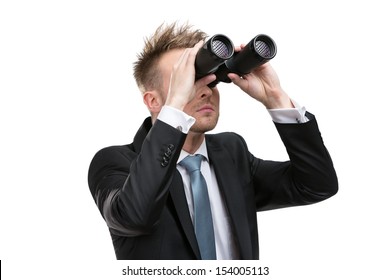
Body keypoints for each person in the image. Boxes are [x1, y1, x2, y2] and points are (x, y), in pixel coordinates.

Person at [87, 22, 338, 260]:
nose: (206, 90)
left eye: (210, 79)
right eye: (188, 81)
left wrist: (276, 98)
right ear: (153, 101)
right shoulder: (114, 163)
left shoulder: (231, 153)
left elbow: (317, 184)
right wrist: (174, 106)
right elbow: (135, 217)